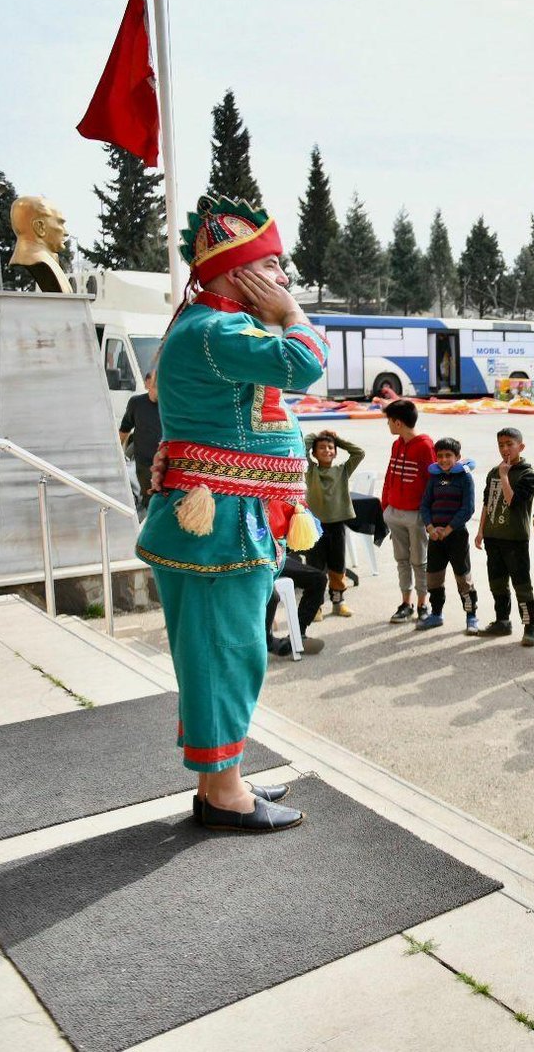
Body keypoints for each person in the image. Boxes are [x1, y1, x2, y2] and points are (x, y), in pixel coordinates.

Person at [136, 194, 328, 833]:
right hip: (221, 525)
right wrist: (291, 313)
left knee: (219, 649)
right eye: (272, 268)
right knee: (227, 650)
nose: (281, 281)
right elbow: (306, 364)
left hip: (223, 519)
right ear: (236, 272)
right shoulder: (218, 331)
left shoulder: (211, 328)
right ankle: (223, 795)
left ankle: (223, 778)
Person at [473, 427, 534, 643]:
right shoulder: (494, 472)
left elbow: (513, 501)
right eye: (501, 445)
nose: (505, 449)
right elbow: (487, 503)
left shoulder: (527, 474)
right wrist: (481, 530)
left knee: (521, 585)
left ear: (521, 446)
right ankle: (502, 621)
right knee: (497, 583)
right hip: (493, 537)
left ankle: (529, 626)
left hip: (515, 539)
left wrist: (504, 476)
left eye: (510, 444)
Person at [381, 399, 435, 624]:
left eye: (389, 421)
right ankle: (406, 602)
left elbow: (432, 482)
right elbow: (389, 476)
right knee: (401, 559)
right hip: (395, 513)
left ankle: (423, 603)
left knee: (419, 561)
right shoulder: (397, 444)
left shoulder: (425, 446)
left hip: (416, 515)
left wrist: (428, 516)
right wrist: (386, 507)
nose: (388, 426)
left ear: (398, 422)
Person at [416, 438, 477, 632]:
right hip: (435, 537)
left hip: (456, 536)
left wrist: (448, 529)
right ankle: (436, 614)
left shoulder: (465, 478)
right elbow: (425, 505)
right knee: (433, 578)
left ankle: (471, 616)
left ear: (457, 457)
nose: (443, 460)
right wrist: (430, 528)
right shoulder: (434, 478)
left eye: (448, 456)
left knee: (463, 578)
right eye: (440, 456)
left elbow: (467, 509)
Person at [304, 430, 364, 619]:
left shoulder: (342, 470)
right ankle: (316, 605)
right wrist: (315, 436)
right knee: (315, 566)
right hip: (315, 526)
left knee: (338, 565)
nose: (327, 450)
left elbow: (359, 453)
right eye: (321, 447)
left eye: (331, 448)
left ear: (336, 452)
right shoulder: (310, 470)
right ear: (313, 453)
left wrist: (337, 439)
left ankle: (338, 601)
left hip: (337, 525)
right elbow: (301, 449)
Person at [264, 553, 328, 659]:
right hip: (244, 562)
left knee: (318, 579)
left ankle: (297, 634)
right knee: (272, 596)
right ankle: (265, 639)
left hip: (271, 556)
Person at [118, 369, 161, 510]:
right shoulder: (136, 403)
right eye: (156, 386)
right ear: (147, 384)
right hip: (144, 465)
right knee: (149, 500)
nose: (159, 391)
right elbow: (125, 429)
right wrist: (117, 454)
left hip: (165, 464)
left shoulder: (169, 406)